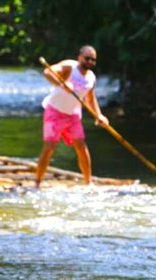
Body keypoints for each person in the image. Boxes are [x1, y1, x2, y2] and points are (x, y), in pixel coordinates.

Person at [35, 45, 109, 187]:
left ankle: (89, 182)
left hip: (72, 114)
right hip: (54, 111)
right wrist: (62, 85)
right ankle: (37, 182)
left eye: (93, 60)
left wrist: (98, 115)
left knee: (81, 146)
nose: (90, 62)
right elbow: (47, 72)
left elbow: (90, 98)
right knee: (49, 146)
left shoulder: (91, 78)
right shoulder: (69, 67)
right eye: (87, 58)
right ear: (80, 57)